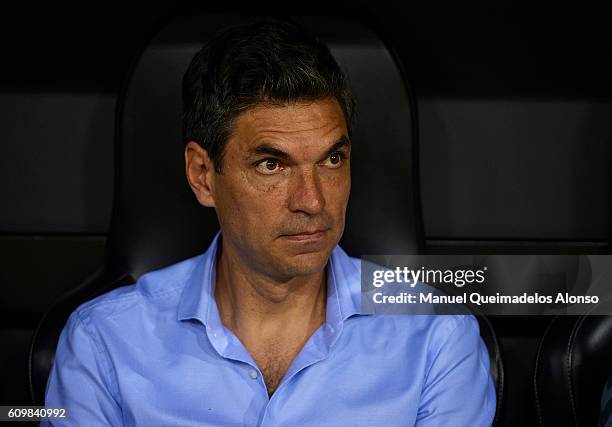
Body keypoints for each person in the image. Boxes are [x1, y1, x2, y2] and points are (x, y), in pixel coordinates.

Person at [42, 18, 496, 426]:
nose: (313, 201)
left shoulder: (437, 337)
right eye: (271, 166)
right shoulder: (102, 343)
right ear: (203, 175)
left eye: (332, 159)